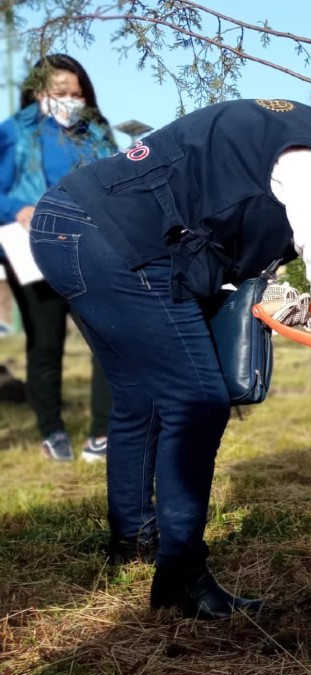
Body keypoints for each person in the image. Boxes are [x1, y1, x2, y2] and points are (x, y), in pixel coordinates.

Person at [29, 79, 311, 620]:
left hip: (70, 224)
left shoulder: (287, 131)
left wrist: (258, 282)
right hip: (108, 239)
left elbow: (214, 214)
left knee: (139, 397)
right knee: (197, 400)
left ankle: (133, 540)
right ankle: (181, 576)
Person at [0, 55, 115, 462]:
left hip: (89, 246)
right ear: (37, 94)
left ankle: (103, 433)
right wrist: (16, 207)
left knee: (107, 336)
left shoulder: (95, 132)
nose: (70, 100)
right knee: (46, 343)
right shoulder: (15, 133)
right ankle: (52, 431)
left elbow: (114, 182)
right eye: (60, 93)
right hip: (31, 249)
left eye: (77, 93)